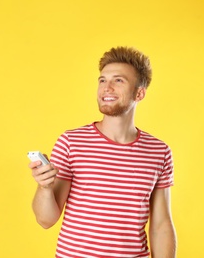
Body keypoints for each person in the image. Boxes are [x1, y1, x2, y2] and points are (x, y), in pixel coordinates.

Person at [28, 47, 177, 258]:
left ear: (139, 93)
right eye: (102, 80)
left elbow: (161, 225)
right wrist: (44, 187)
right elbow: (46, 220)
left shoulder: (159, 151)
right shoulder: (71, 142)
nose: (106, 88)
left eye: (118, 81)